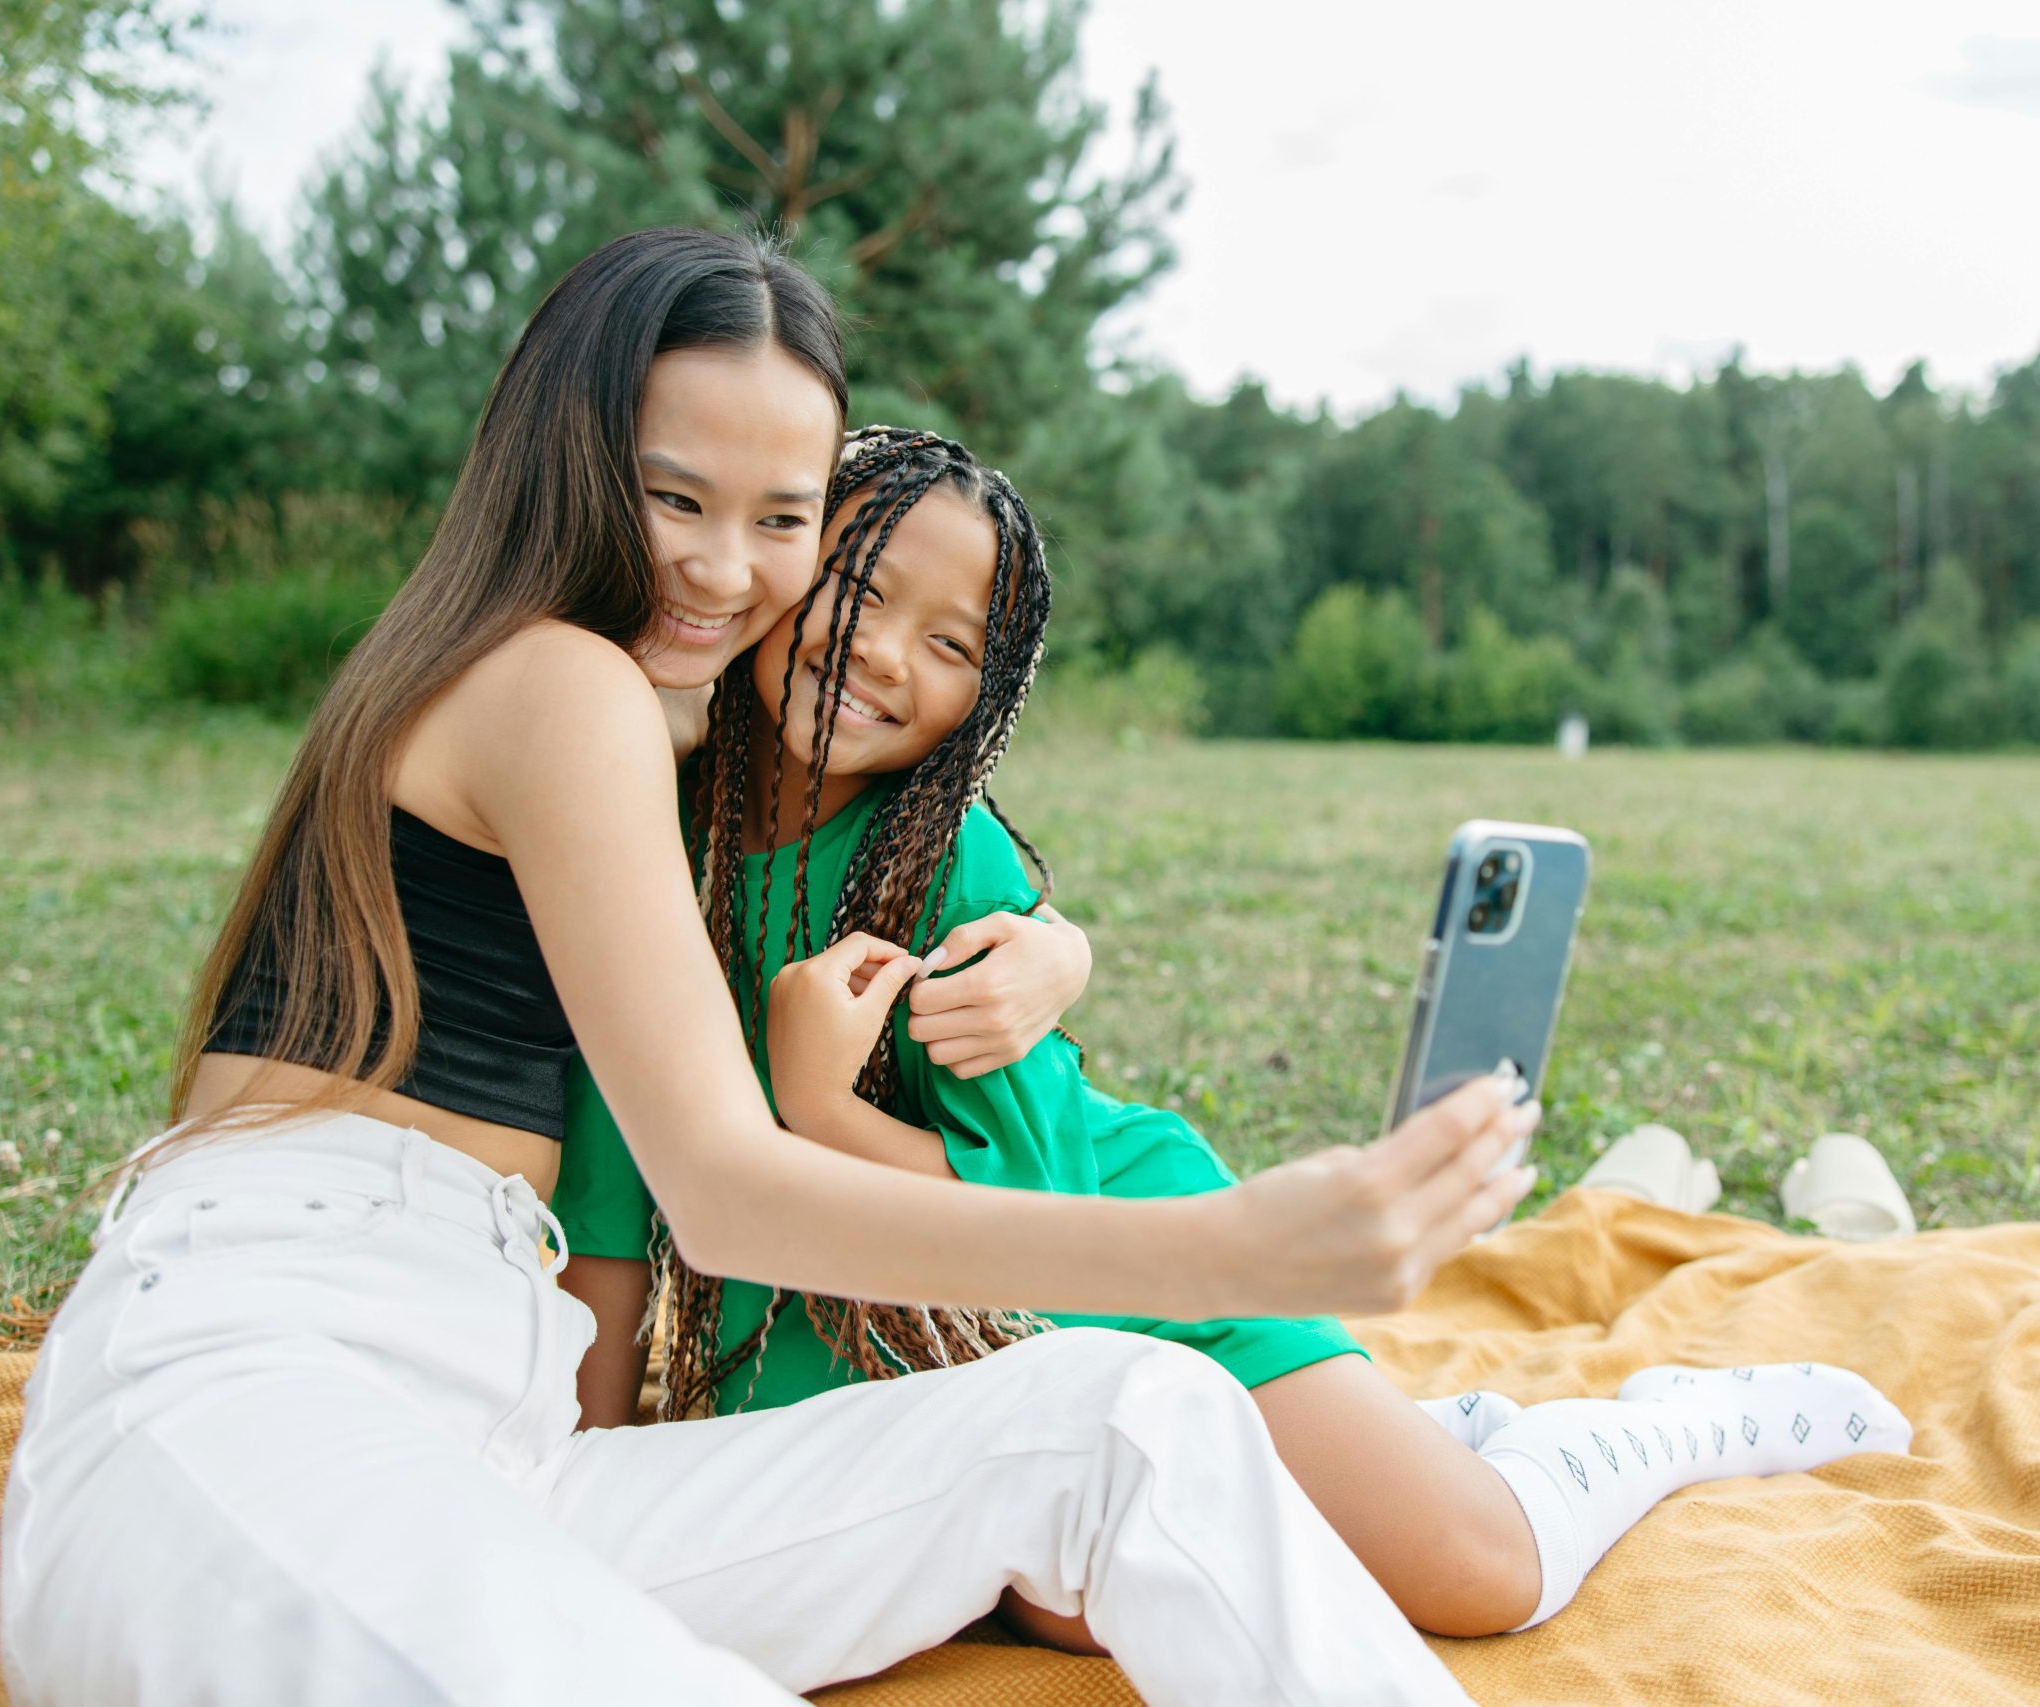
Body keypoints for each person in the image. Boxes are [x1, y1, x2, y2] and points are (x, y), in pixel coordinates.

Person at [0, 229, 1541, 1707]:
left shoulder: (642, 731)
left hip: (498, 1440)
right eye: (673, 497)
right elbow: (724, 1190)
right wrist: (1235, 1251)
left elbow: (876, 843)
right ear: (567, 458)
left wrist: (1060, 946)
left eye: (785, 518)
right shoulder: (561, 687)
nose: (728, 570)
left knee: (1129, 1419)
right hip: (258, 1406)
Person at [554, 427, 1918, 1643]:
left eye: (954, 641)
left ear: (991, 695)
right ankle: (1422, 1439)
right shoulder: (645, 834)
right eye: (862, 584)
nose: (883, 650)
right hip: (856, 1339)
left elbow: (1048, 1218)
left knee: (1476, 1571)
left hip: (1129, 1276)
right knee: (1085, 1607)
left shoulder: (951, 870)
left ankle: (1655, 1427)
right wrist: (590, 1472)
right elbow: (618, 1181)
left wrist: (822, 1112)